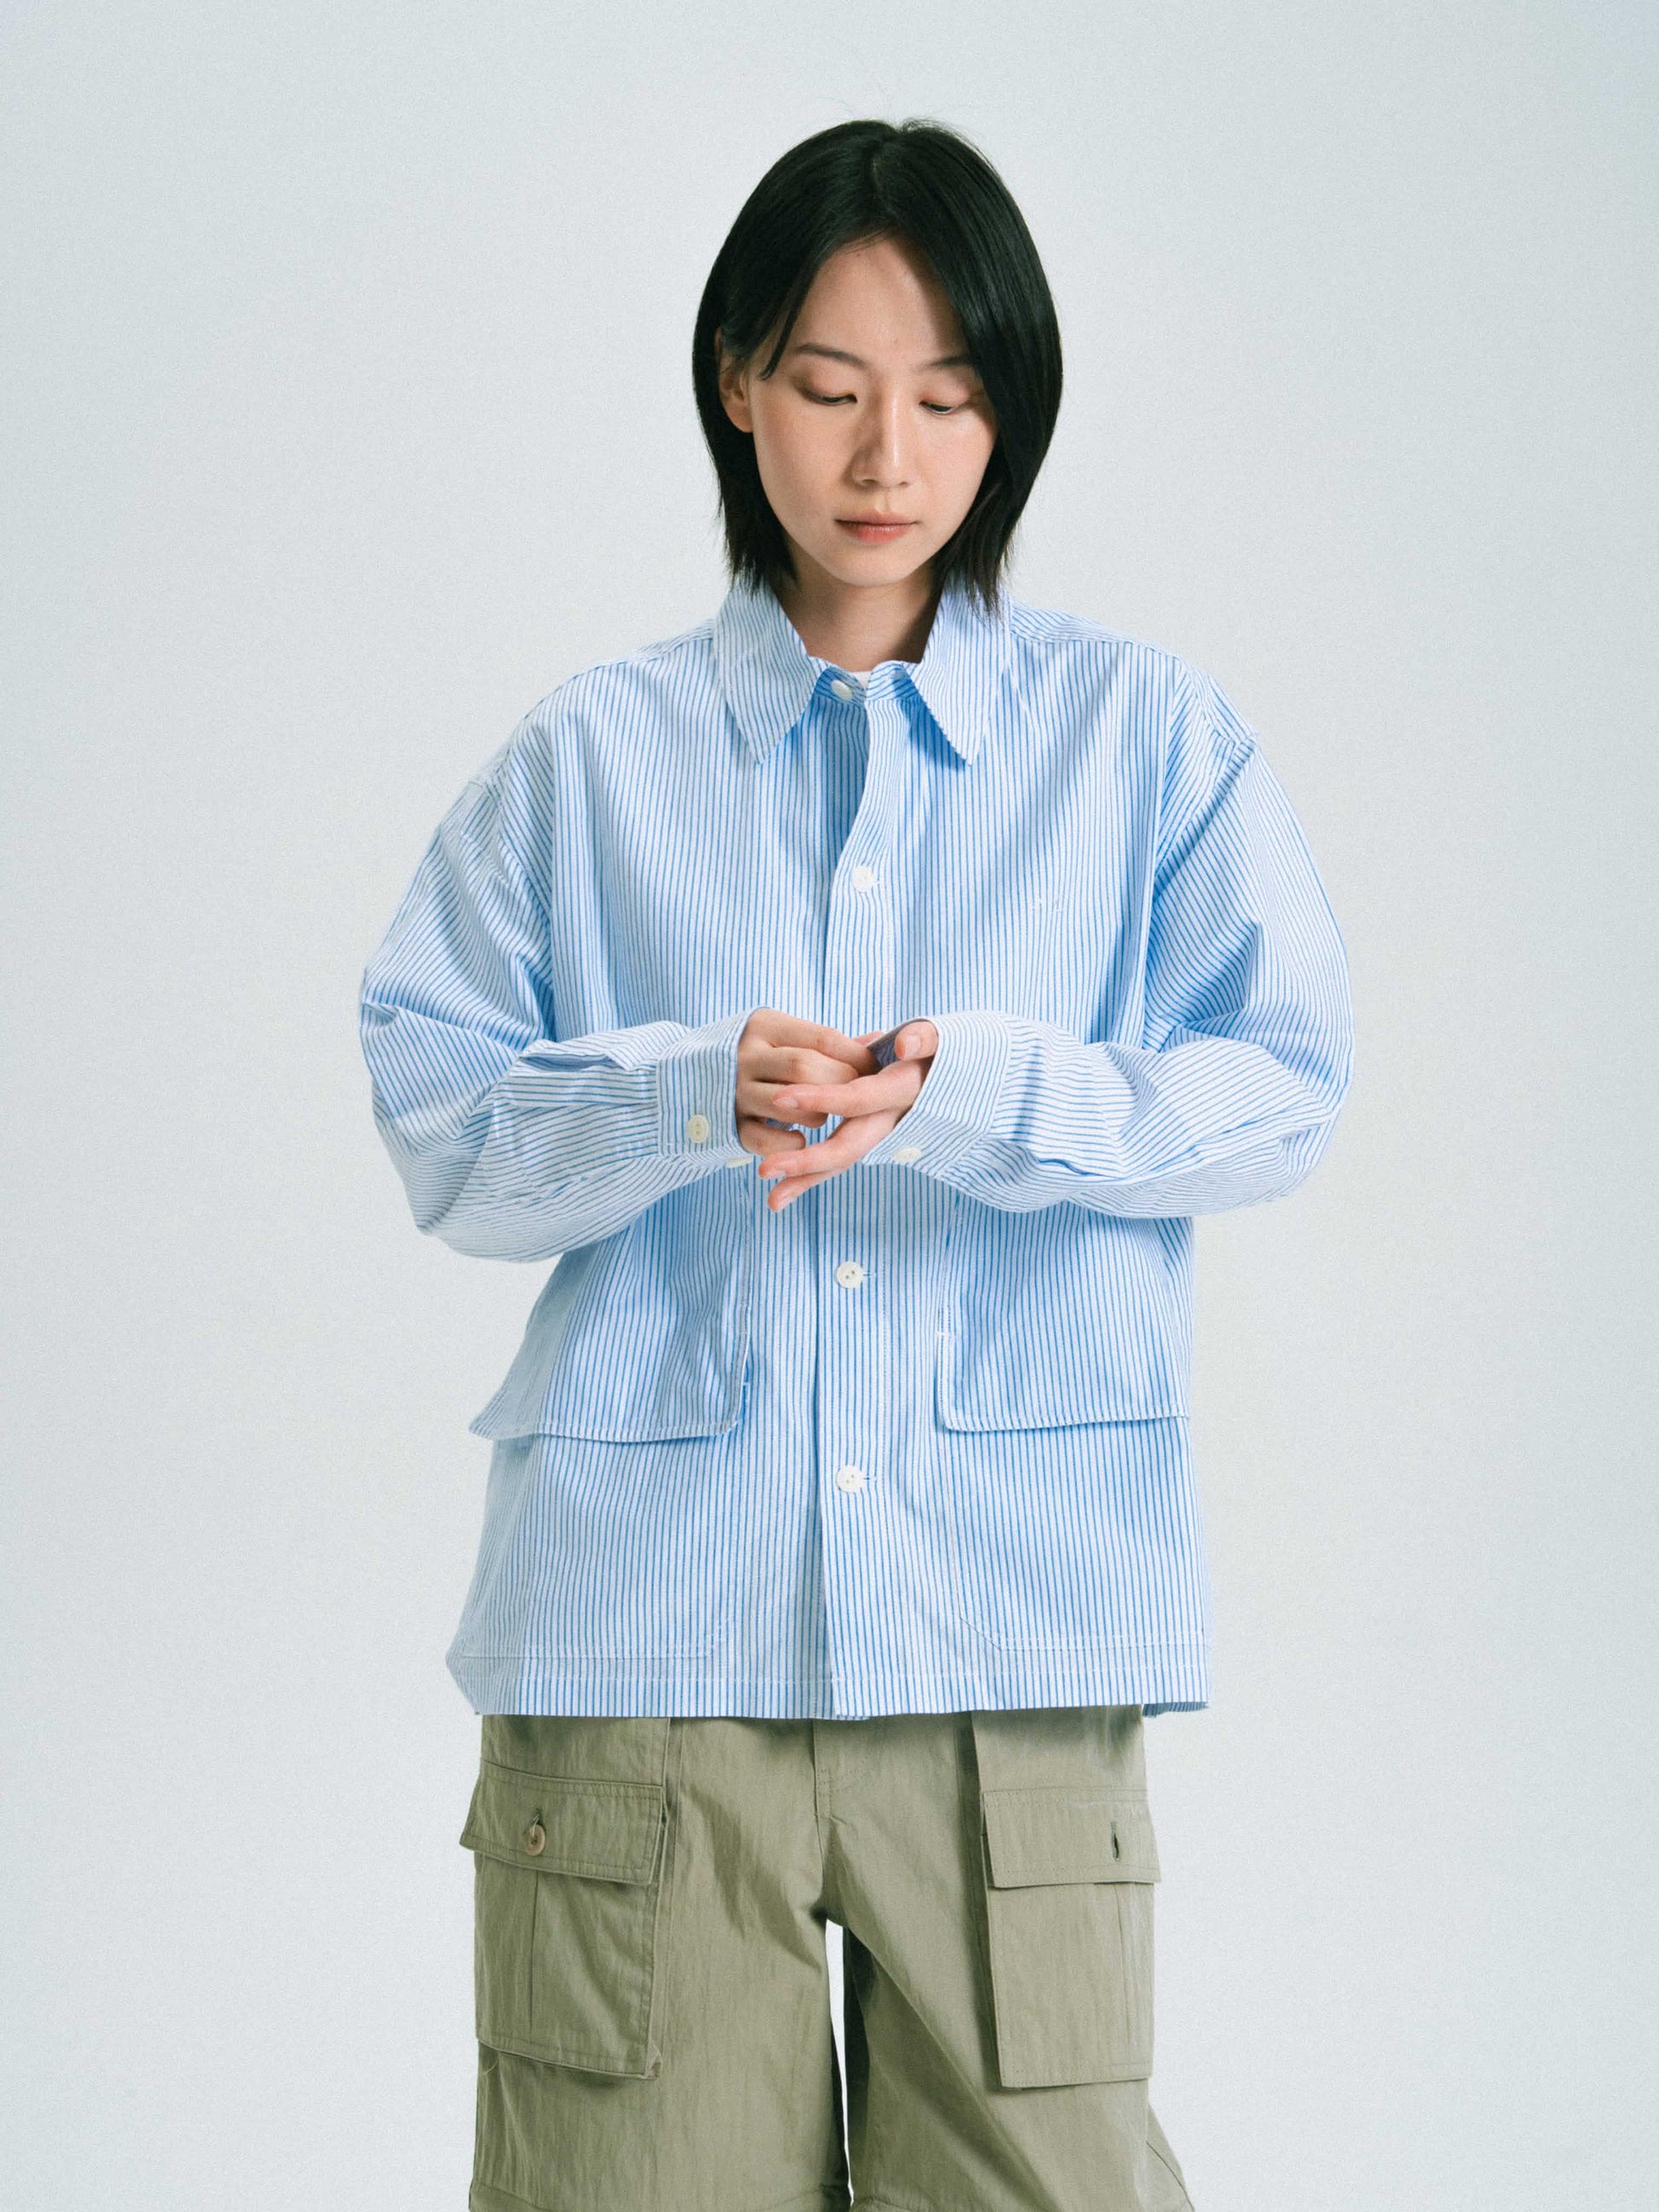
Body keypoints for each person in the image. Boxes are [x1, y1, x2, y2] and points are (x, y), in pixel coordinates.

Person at [358, 114, 1353, 2212]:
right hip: (641, 1659)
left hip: (1014, 1653)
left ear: (1013, 411)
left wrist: (990, 1093)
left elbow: (1282, 1084)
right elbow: (441, 1126)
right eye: (829, 385)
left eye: (951, 395)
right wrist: (678, 1092)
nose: (888, 453)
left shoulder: (1146, 740)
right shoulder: (594, 755)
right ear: (738, 382)